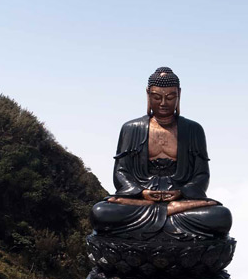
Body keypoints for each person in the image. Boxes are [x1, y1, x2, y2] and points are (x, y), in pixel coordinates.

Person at [89, 67, 232, 241]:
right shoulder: (131, 129)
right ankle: (169, 211)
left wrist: (181, 192)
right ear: (148, 95)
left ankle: (169, 210)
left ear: (179, 95)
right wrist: (142, 192)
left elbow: (202, 174)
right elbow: (121, 172)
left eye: (170, 97)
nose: (163, 103)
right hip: (141, 201)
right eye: (157, 97)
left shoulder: (194, 130)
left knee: (221, 216)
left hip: (180, 201)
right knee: (101, 213)